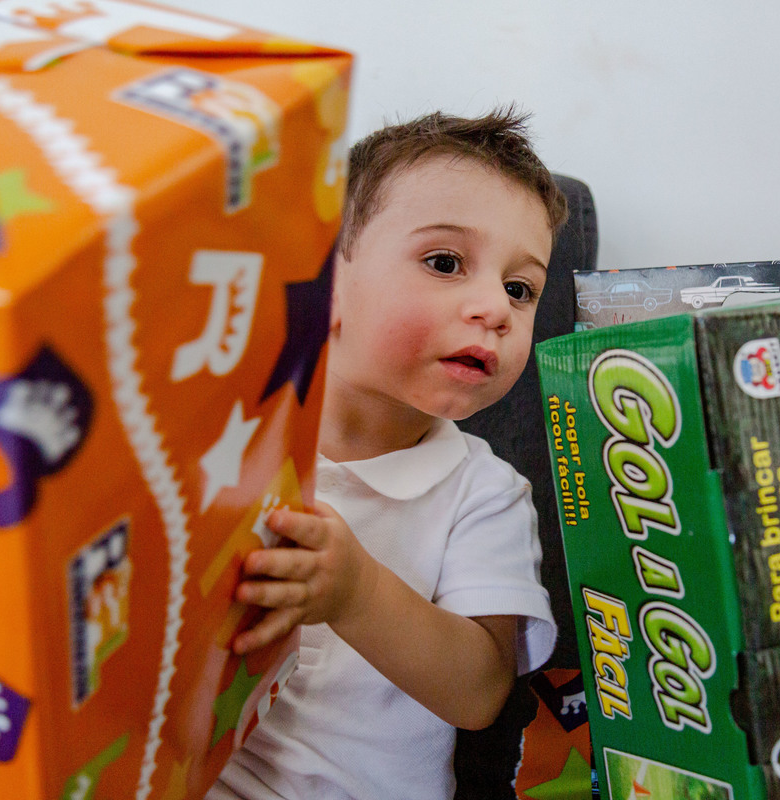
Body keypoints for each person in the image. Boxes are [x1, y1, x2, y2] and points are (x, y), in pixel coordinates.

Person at [208, 109, 564, 800]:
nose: (496, 308)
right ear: (324, 280)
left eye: (520, 289)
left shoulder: (485, 494)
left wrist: (357, 593)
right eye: (445, 263)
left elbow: (480, 694)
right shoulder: (223, 438)